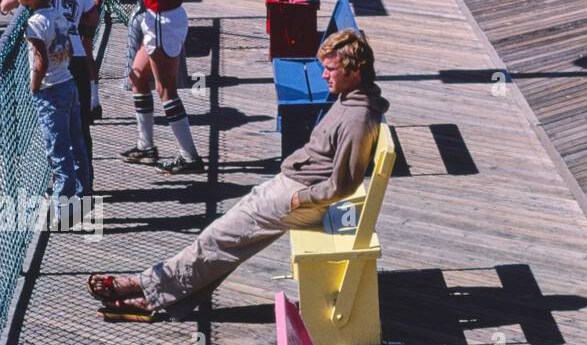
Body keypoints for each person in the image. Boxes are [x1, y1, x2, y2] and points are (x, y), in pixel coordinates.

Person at [87, 30, 388, 321]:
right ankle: (158, 296)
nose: (324, 75)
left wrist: (299, 199)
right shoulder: (353, 98)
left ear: (355, 70)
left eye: (331, 69)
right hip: (293, 187)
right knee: (223, 241)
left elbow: (344, 184)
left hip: (299, 195)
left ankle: (145, 288)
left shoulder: (356, 118)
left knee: (217, 240)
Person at [92, 0, 205, 174]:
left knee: (167, 91)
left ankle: (190, 157)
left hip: (163, 23)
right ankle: (146, 146)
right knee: (138, 78)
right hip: (154, 19)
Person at [2, 0, 98, 175]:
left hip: (51, 63)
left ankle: (62, 183)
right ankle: (86, 183)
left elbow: (5, 5)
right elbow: (92, 16)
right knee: (80, 126)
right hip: (75, 56)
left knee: (56, 130)